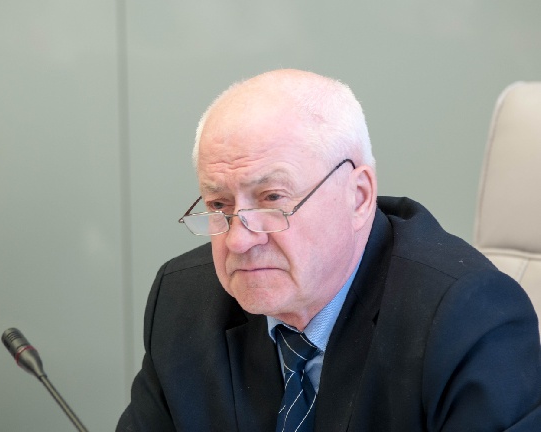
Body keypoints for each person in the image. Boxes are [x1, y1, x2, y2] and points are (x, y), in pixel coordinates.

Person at [117, 69, 541, 431]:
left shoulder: (468, 320)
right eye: (218, 205)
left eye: (272, 198)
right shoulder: (183, 302)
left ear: (358, 197)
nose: (239, 240)